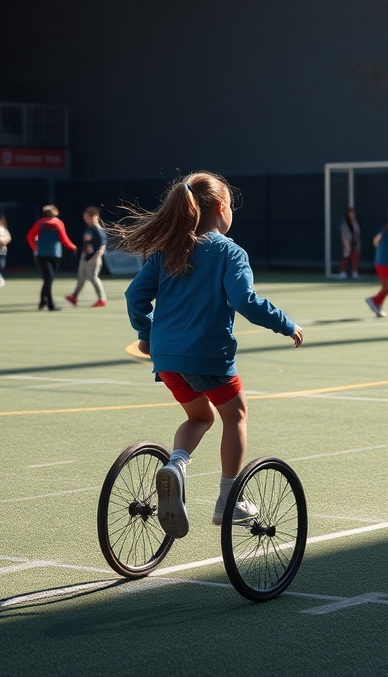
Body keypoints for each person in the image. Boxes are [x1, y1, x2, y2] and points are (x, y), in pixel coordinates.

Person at [114, 171, 304, 538]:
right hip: (208, 357)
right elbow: (245, 301)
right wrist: (285, 324)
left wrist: (146, 333)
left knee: (199, 417)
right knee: (236, 415)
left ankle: (177, 464)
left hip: (167, 359)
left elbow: (134, 297)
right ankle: (228, 497)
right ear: (220, 207)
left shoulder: (168, 250)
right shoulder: (229, 252)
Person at [26, 204, 76, 311]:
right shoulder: (58, 223)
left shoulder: (40, 223)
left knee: (48, 279)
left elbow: (30, 236)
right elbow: (64, 238)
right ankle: (50, 304)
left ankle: (43, 300)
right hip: (54, 254)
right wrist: (73, 247)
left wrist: (35, 247)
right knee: (49, 278)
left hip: (42, 254)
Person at [66, 206, 108, 307]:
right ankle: (74, 296)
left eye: (87, 217)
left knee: (93, 278)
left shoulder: (97, 230)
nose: (85, 219)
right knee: (81, 277)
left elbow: (102, 245)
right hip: (85, 257)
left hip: (93, 258)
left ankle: (102, 299)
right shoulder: (89, 229)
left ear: (94, 217)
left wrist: (96, 257)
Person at [339, 207, 361, 279]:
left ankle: (355, 273)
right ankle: (343, 273)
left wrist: (356, 242)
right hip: (347, 243)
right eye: (350, 214)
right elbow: (344, 235)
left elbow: (358, 234)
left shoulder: (356, 223)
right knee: (345, 257)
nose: (352, 215)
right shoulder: (345, 224)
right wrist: (346, 245)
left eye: (353, 214)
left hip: (355, 244)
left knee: (355, 257)